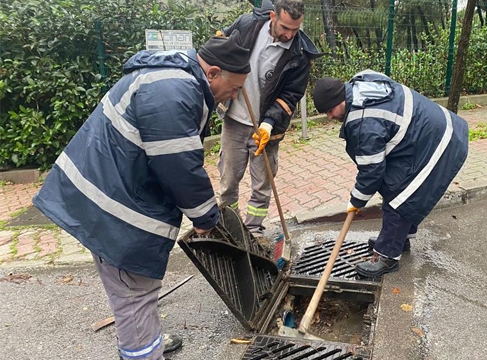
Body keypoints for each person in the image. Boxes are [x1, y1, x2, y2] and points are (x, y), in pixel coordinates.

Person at [32, 32, 250, 359]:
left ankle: (149, 339)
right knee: (134, 294)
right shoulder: (172, 92)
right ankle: (143, 350)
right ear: (213, 73)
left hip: (109, 193)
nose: (232, 97)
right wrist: (206, 220)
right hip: (113, 210)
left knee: (134, 292)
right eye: (234, 89)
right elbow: (179, 166)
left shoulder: (173, 80)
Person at [310, 70, 469, 278]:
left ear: (341, 98)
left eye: (331, 110)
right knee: (394, 184)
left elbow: (371, 171)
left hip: (439, 142)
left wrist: (356, 201)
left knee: (401, 194)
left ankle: (387, 257)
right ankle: (398, 238)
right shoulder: (360, 82)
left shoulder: (363, 122)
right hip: (428, 132)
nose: (330, 116)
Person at [217, 0, 321, 242]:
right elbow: (222, 45)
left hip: (267, 130)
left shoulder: (300, 54)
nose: (289, 35)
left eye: (295, 30)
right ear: (273, 16)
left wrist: (268, 124)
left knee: (262, 185)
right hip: (234, 120)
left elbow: (291, 95)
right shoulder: (248, 25)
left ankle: (253, 232)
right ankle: (231, 229)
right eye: (285, 27)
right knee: (228, 180)